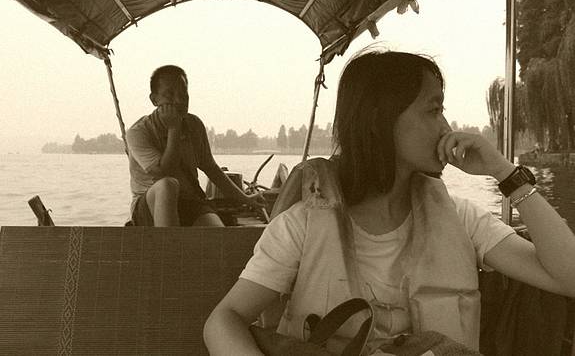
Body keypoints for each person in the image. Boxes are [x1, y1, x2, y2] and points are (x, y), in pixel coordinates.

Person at [204, 49, 575, 355]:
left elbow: (568, 278)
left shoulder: (463, 220)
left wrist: (504, 173)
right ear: (379, 120)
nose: (446, 127)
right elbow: (224, 319)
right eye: (433, 110)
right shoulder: (300, 226)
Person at [126, 64, 264, 227]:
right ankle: (167, 243)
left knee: (217, 235)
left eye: (183, 94)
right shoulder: (139, 132)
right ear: (154, 100)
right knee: (167, 185)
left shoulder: (194, 125)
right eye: (169, 95)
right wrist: (174, 128)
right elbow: (164, 172)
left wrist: (245, 198)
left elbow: (211, 169)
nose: (178, 100)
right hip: (149, 206)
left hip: (189, 201)